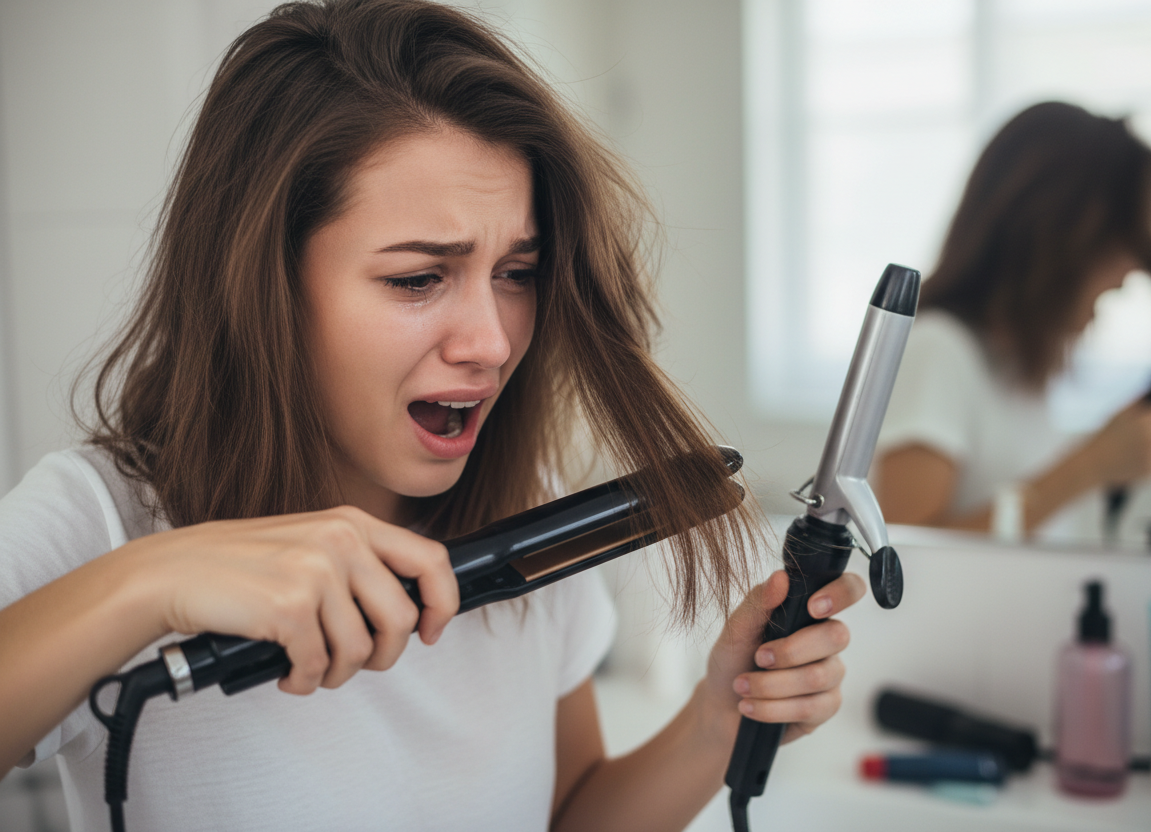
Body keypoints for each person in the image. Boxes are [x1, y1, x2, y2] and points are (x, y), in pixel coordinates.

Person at [0, 2, 865, 830]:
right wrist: (151, 582)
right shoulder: (99, 519)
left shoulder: (533, 512)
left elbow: (564, 819)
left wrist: (718, 722)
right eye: (419, 279)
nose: (491, 342)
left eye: (516, 272)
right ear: (262, 285)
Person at [875, 101, 1151, 541]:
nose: (1126, 276)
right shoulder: (939, 349)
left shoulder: (1023, 369)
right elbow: (905, 555)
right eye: (1120, 247)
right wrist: (1090, 465)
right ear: (1062, 241)